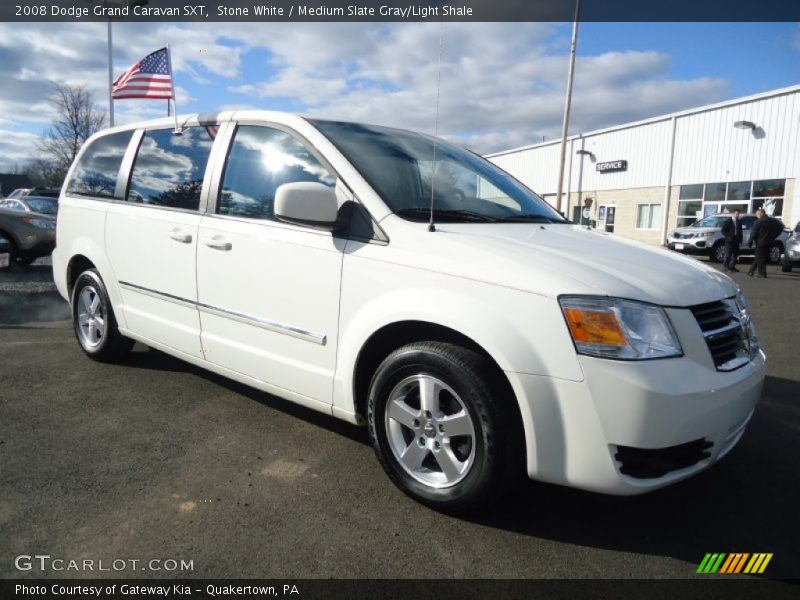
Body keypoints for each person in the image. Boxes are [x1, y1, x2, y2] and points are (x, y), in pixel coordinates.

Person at [747, 209, 784, 278]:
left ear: (760, 214)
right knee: (758, 257)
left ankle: (762, 273)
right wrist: (774, 235)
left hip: (760, 242)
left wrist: (750, 242)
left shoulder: (758, 222)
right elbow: (781, 227)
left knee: (761, 258)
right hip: (770, 242)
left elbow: (753, 233)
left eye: (757, 215)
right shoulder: (773, 221)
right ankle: (751, 271)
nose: (757, 216)